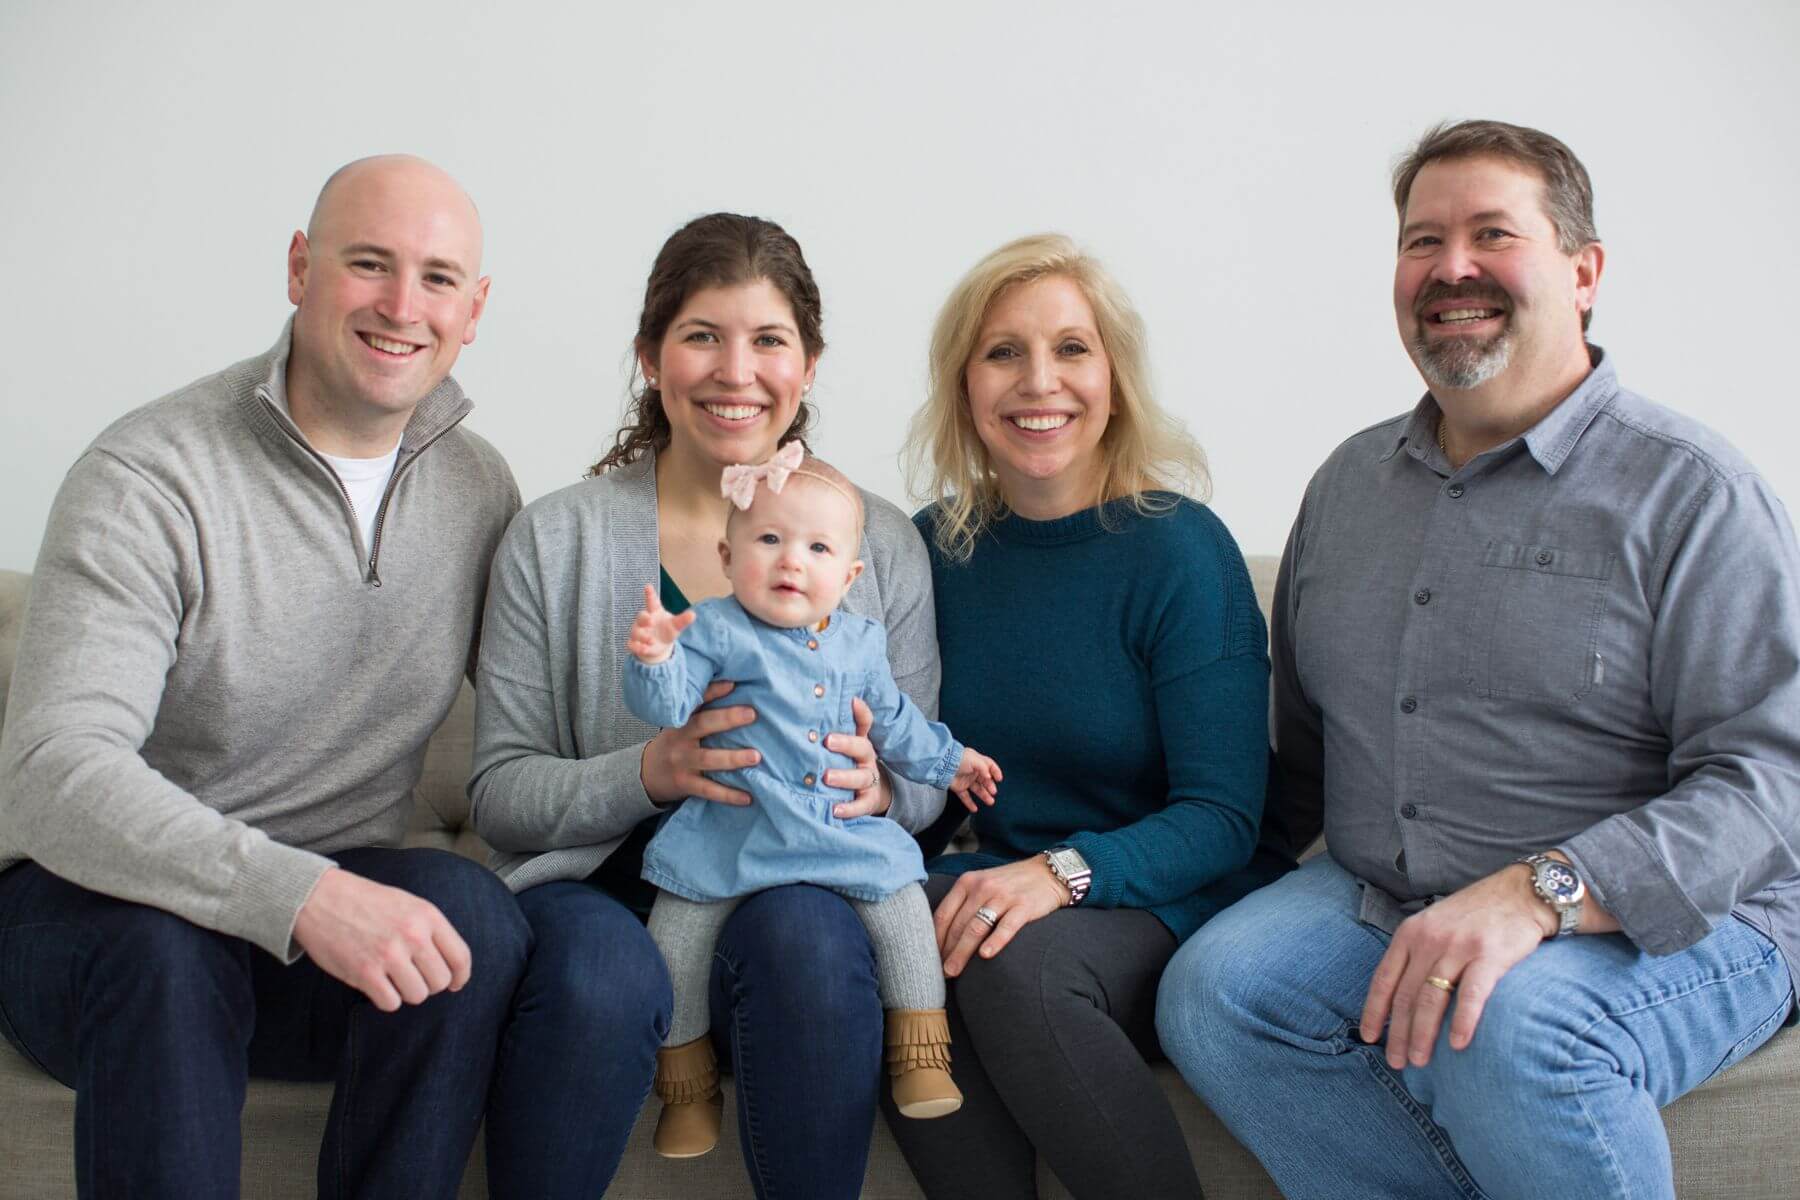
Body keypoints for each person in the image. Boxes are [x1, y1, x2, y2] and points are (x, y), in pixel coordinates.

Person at [1155, 119, 1800, 1200]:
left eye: (1492, 234)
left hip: (1677, 916)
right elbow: (1302, 761)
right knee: (1217, 993)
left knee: (1506, 1027)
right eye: (1423, 241)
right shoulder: (1349, 486)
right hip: (1386, 892)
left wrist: (1547, 891)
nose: (1452, 269)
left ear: (1583, 272)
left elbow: (1773, 784)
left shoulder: (1694, 493)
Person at [0, 155, 623, 1199]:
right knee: (165, 953)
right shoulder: (153, 473)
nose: (400, 305)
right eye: (368, 264)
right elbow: (57, 770)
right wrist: (299, 894)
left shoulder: (477, 488)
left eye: (436, 279)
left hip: (314, 947)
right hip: (99, 923)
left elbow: (558, 714)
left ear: (474, 311)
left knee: (465, 917)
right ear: (300, 268)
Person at [469, 211, 948, 1195]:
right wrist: (649, 771)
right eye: (701, 337)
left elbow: (918, 773)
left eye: (769, 340)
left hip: (796, 875)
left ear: (808, 365)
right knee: (603, 978)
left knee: (812, 944)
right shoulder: (553, 540)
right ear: (651, 357)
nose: (737, 371)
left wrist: (882, 794)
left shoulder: (878, 546)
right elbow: (498, 797)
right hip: (602, 885)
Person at [884, 233, 1278, 1200]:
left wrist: (1061, 874)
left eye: (1071, 348)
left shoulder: (1180, 551)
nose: (1038, 381)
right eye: (1003, 352)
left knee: (1008, 960)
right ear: (965, 384)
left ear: (1114, 376)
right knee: (893, 936)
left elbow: (1224, 817)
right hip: (1008, 886)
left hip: (1172, 897)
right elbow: (926, 771)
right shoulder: (934, 549)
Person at [623, 446, 1002, 1157]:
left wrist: (955, 763)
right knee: (671, 945)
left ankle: (921, 1053)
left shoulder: (861, 641)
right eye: (768, 539)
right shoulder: (712, 627)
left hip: (837, 828)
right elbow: (669, 708)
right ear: (727, 556)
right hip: (733, 830)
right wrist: (653, 660)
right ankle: (686, 1087)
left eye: (817, 547)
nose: (791, 561)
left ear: (850, 574)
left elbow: (897, 724)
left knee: (903, 911)